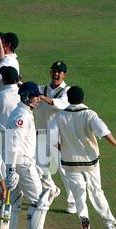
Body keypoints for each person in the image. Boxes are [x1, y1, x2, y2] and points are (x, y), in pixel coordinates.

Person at [49, 86, 116, 229]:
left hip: (70, 162)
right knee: (96, 191)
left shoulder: (59, 116)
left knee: (79, 193)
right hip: (90, 162)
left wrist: (63, 148)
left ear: (69, 99)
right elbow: (103, 131)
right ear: (83, 99)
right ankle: (109, 225)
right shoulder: (89, 114)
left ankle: (84, 219)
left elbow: (52, 138)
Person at [5, 82, 55, 229]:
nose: (37, 98)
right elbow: (13, 143)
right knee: (42, 201)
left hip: (20, 164)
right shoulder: (22, 116)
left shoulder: (22, 113)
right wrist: (11, 169)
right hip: (22, 165)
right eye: (35, 96)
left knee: (15, 206)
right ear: (26, 96)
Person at [36, 61, 77, 214]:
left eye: (59, 72)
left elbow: (60, 104)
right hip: (41, 135)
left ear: (64, 74)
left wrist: (43, 98)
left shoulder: (67, 91)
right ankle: (51, 190)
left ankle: (72, 202)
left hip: (59, 137)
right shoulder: (42, 89)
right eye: (54, 71)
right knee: (38, 168)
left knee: (64, 170)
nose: (56, 74)